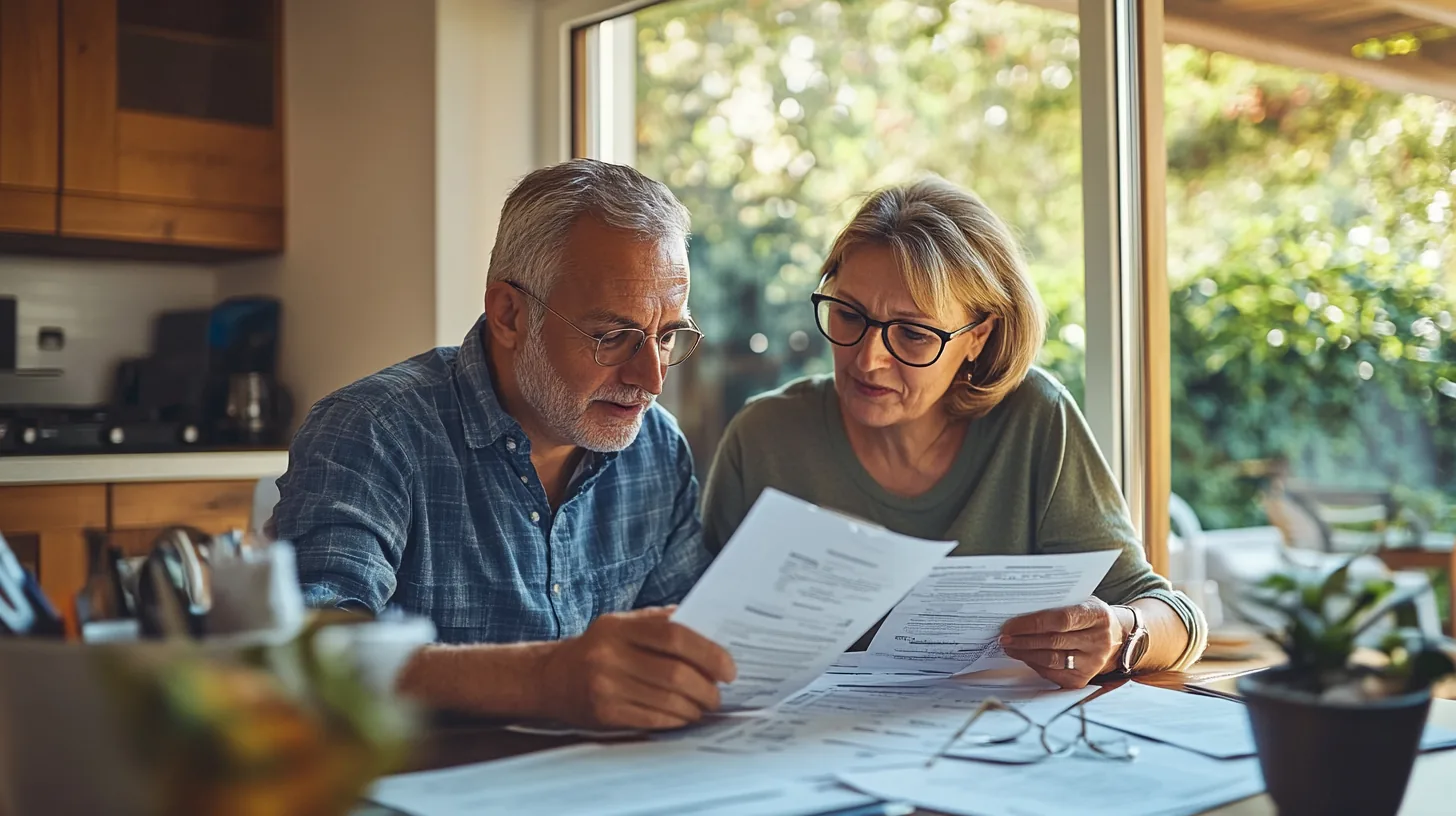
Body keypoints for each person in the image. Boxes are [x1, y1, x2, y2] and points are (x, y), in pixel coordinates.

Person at [271, 159, 735, 729]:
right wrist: (545, 678)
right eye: (613, 336)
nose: (652, 379)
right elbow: (308, 660)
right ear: (510, 314)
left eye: (667, 337)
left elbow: (692, 639)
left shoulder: (656, 447)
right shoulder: (371, 431)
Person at [702, 178, 1206, 687]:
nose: (868, 359)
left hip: (991, 747)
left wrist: (1120, 633)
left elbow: (1176, 619)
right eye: (849, 314)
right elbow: (691, 631)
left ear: (978, 337)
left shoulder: (1034, 419)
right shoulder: (765, 437)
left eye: (914, 334)